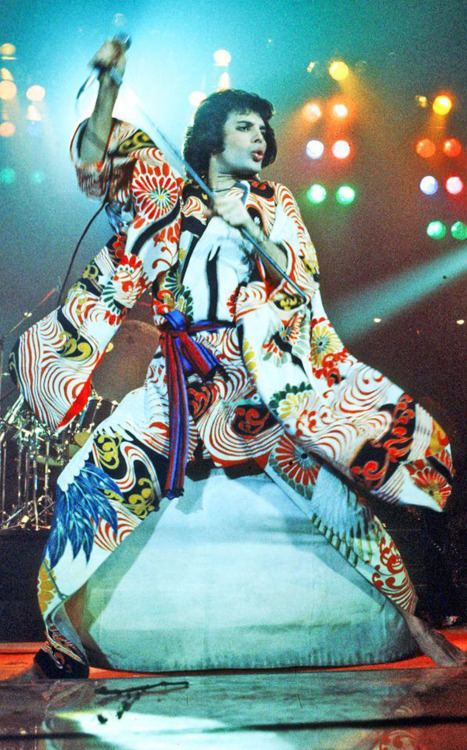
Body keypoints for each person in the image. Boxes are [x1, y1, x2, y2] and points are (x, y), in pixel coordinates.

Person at [10, 40, 464, 678]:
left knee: (333, 498)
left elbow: (300, 287)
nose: (260, 138)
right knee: (90, 475)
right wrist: (109, 86)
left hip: (254, 381)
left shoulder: (275, 203)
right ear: (211, 135)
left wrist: (247, 228)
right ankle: (61, 639)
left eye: (264, 129)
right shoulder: (165, 190)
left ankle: (414, 619)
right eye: (246, 125)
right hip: (179, 382)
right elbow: (95, 164)